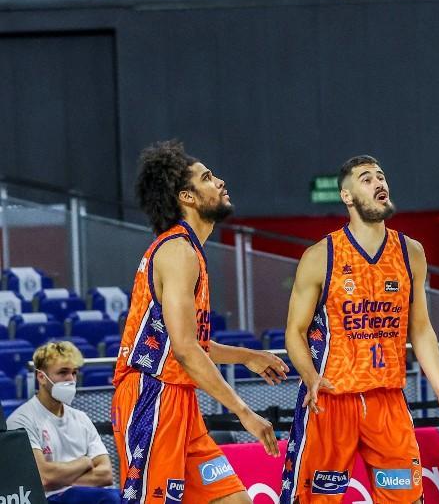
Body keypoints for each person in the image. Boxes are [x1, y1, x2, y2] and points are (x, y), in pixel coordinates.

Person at [281, 155, 439, 503]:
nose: (379, 183)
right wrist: (309, 375)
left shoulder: (411, 252)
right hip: (331, 400)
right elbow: (294, 331)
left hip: (387, 400)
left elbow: (422, 329)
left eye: (381, 176)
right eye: (366, 179)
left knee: (408, 499)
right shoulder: (320, 256)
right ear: (347, 196)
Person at [111, 141, 289, 504]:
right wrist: (244, 413)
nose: (220, 181)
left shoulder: (189, 250)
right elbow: (185, 350)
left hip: (180, 400)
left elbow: (188, 343)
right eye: (207, 178)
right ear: (187, 197)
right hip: (152, 396)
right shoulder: (177, 252)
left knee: (235, 500)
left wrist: (246, 357)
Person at [5, 341, 119, 503]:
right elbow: (43, 478)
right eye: (63, 372)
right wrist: (84, 462)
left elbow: (106, 474)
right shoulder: (22, 420)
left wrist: (60, 478)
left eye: (74, 373)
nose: (71, 379)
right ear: (41, 377)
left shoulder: (81, 418)